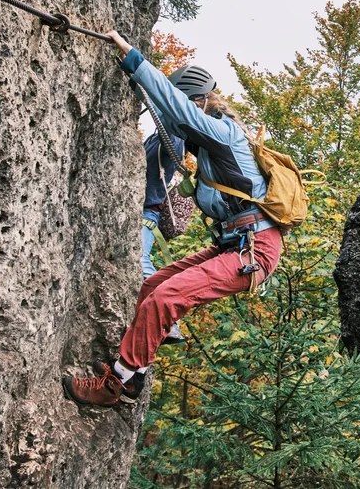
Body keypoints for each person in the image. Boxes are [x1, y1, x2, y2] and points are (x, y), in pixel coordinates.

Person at [62, 31, 283, 407]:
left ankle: (113, 385)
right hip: (233, 245)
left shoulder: (224, 135)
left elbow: (176, 109)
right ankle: (135, 380)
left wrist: (133, 60)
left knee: (166, 298)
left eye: (183, 108)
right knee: (153, 287)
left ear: (198, 103)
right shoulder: (209, 144)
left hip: (254, 250)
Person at [140, 131, 188, 345]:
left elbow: (175, 151)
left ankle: (169, 321)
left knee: (140, 259)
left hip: (147, 211)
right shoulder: (155, 137)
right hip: (141, 207)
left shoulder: (174, 138)